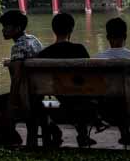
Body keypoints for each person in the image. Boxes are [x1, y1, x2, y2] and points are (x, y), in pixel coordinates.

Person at [0, 10, 43, 144]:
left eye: (6, 27)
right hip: (37, 93)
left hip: (24, 96)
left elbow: (17, 78)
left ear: (17, 28)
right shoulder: (34, 40)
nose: (3, 30)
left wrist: (12, 102)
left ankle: (7, 132)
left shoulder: (18, 47)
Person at [37, 13, 96, 147]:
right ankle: (82, 134)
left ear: (53, 30)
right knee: (81, 93)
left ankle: (50, 130)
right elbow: (89, 78)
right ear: (71, 29)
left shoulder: (43, 54)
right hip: (78, 106)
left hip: (52, 107)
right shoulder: (79, 50)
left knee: (45, 95)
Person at [94, 17, 130, 145]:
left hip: (105, 109)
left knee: (115, 100)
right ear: (125, 36)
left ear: (107, 37)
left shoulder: (97, 59)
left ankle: (125, 133)